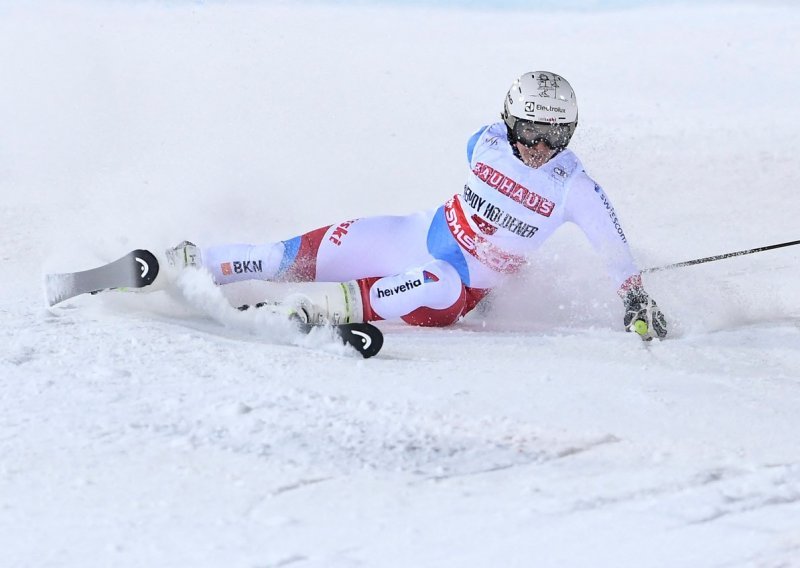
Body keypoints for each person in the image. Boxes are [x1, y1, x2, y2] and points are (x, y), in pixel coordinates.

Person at [168, 71, 668, 339]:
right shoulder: (487, 142)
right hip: (413, 235)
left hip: (453, 290)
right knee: (285, 257)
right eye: (531, 131)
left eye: (556, 135)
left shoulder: (574, 187)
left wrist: (634, 297)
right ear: (509, 122)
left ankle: (319, 313)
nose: (541, 146)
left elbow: (612, 246)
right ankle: (194, 265)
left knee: (435, 278)